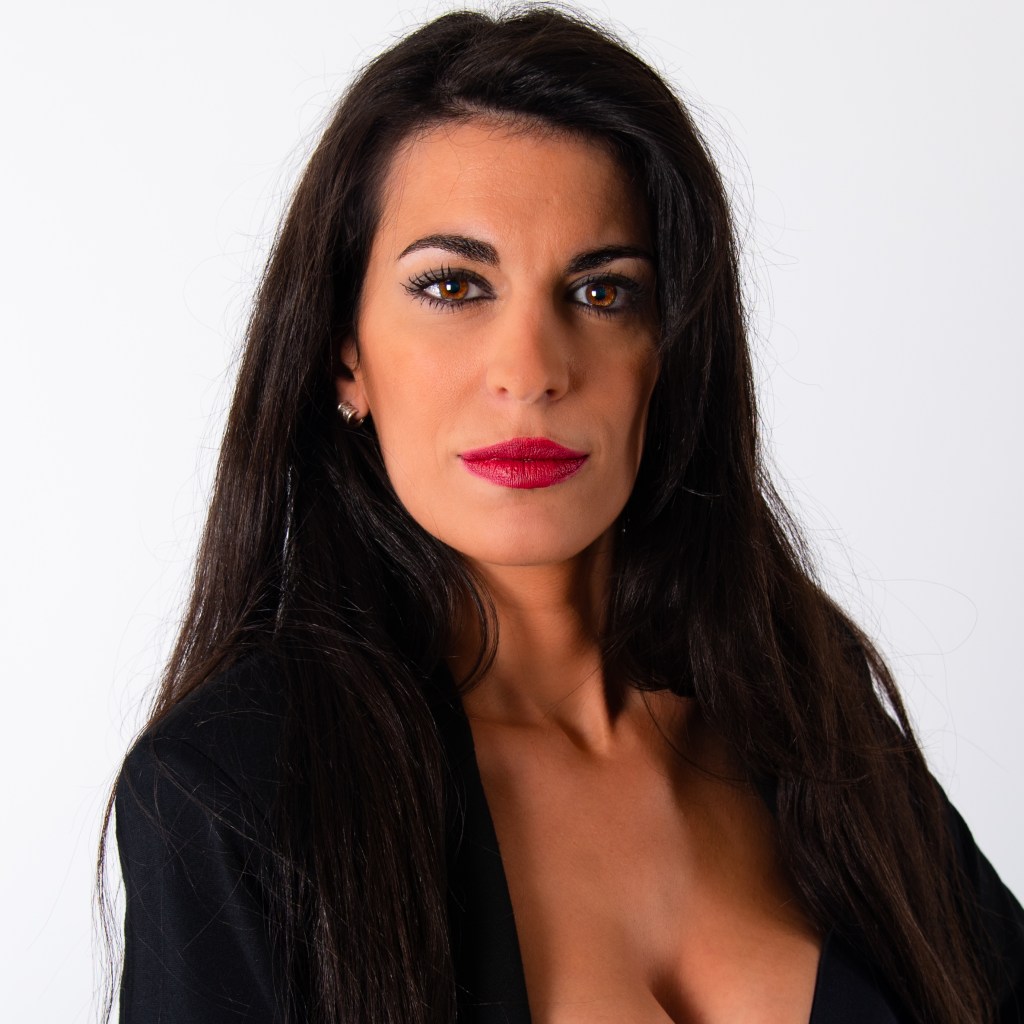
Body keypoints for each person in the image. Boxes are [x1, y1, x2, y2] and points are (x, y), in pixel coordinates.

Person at [104, 7, 1024, 1024]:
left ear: (667, 353)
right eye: (453, 286)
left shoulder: (804, 709)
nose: (532, 370)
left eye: (601, 293)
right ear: (344, 354)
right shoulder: (235, 792)